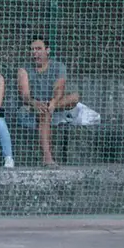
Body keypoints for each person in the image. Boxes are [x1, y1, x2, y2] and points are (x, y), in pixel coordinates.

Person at [17, 36, 80, 166]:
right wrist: (35, 103)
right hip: (32, 108)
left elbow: (59, 88)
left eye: (39, 49)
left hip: (55, 105)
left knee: (75, 97)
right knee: (43, 112)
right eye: (32, 50)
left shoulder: (59, 66)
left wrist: (53, 102)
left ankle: (48, 107)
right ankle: (47, 157)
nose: (35, 52)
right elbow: (25, 96)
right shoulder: (24, 70)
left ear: (48, 50)